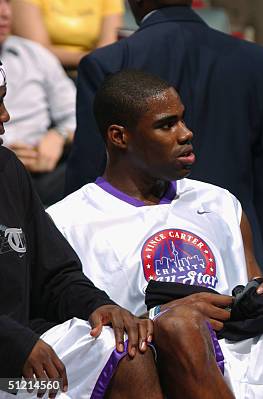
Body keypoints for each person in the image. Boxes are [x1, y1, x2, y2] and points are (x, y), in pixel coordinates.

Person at [48, 69, 263, 399]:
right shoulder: (66, 221)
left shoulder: (219, 201)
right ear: (120, 136)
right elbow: (83, 337)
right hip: (158, 359)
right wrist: (163, 315)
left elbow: (253, 284)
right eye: (167, 125)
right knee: (181, 324)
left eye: (182, 119)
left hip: (243, 346)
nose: (186, 133)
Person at [65, 0, 263, 269]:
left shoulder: (108, 62)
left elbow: (88, 170)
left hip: (132, 255)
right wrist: (254, 246)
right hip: (234, 246)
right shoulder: (256, 60)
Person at [0, 64, 160, 398]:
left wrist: (98, 306)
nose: (6, 116)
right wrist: (16, 343)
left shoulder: (7, 169)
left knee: (127, 347)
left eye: (4, 101)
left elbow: (56, 274)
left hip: (18, 358)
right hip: (12, 351)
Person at [0, 0, 75, 206]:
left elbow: (75, 112)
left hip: (43, 171)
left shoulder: (34, 54)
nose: (4, 12)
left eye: (6, 2)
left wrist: (58, 136)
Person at [11, 0, 124, 70]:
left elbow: (108, 47)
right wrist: (89, 60)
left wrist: (94, 61)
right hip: (39, 70)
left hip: (89, 69)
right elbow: (36, 50)